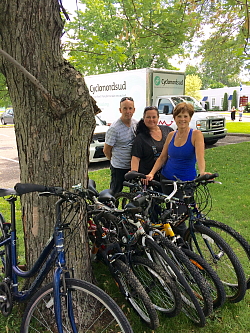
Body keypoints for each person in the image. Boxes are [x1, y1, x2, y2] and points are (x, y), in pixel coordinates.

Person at [146, 102, 210, 236]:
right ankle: (179, 247)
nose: (182, 119)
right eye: (179, 116)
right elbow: (163, 157)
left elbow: (200, 156)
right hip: (167, 180)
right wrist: (151, 173)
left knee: (183, 215)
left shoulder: (196, 135)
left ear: (190, 118)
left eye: (185, 116)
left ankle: (186, 250)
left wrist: (202, 172)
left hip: (186, 182)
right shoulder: (171, 135)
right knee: (174, 214)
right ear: (174, 118)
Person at [103, 97, 138, 194]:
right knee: (115, 192)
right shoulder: (114, 128)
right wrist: (114, 161)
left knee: (135, 192)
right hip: (119, 167)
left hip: (132, 167)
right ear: (120, 110)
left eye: (130, 108)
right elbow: (106, 150)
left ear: (134, 110)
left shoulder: (136, 124)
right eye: (125, 108)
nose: (128, 111)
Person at [131, 106, 173, 181]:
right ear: (144, 118)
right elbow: (135, 158)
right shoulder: (140, 137)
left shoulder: (168, 131)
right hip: (148, 177)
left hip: (167, 174)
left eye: (154, 117)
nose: (151, 120)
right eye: (148, 117)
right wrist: (135, 174)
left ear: (158, 117)